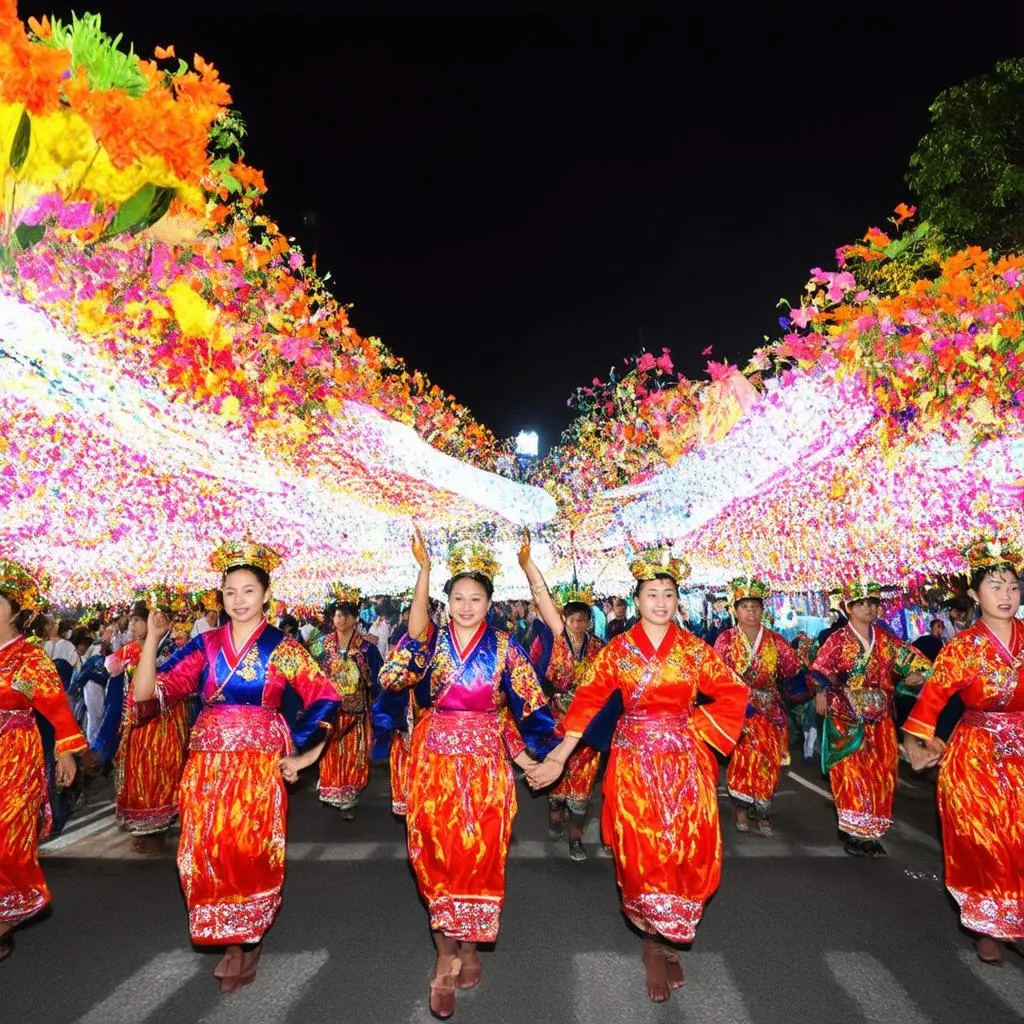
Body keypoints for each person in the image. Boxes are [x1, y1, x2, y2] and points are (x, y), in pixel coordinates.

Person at [528, 549, 748, 1003]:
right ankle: (653, 943)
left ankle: (670, 935)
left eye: (669, 594)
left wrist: (698, 730)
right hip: (635, 763)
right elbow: (587, 701)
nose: (662, 602)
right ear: (637, 599)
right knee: (644, 848)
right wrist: (559, 756)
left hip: (685, 761)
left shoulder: (692, 649)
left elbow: (732, 692)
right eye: (652, 594)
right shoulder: (618, 652)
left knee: (687, 846)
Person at [130, 542, 342, 994]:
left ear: (266, 594)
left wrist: (305, 752)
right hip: (207, 764)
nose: (239, 599)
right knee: (205, 848)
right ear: (220, 596)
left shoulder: (283, 648)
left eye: (249, 590)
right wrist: (152, 638)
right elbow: (149, 695)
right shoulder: (204, 645)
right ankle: (230, 937)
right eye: (230, 591)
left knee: (248, 849)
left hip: (258, 765)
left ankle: (247, 940)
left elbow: (325, 695)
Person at [379, 529, 559, 1020]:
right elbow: (396, 670)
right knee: (435, 854)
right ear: (446, 601)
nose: (465, 606)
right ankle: (443, 951)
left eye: (474, 598)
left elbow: (530, 707)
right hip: (434, 764)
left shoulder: (504, 648)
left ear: (489, 603)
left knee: (479, 855)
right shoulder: (430, 644)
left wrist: (541, 759)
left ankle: (473, 945)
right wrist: (423, 572)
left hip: (484, 769)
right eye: (456, 597)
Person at [903, 539, 1024, 965]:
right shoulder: (963, 647)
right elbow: (932, 700)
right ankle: (987, 924)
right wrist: (920, 742)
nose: (1006, 595)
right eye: (995, 586)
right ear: (974, 595)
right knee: (986, 838)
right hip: (976, 753)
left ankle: (1015, 914)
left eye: (1012, 586)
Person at [0, 557, 87, 961]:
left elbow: (57, 709)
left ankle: (6, 917)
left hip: (15, 754)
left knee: (8, 833)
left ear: (17, 611)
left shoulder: (30, 659)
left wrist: (67, 752)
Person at [810, 581, 930, 857]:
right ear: (849, 608)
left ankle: (871, 831)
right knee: (852, 774)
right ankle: (855, 832)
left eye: (873, 603)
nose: (868, 608)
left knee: (883, 775)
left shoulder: (887, 640)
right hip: (846, 719)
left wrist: (917, 675)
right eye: (861, 603)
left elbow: (915, 662)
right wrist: (820, 693)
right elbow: (819, 670)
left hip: (881, 719)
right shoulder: (838, 640)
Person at [519, 533, 610, 861]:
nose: (578, 623)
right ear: (564, 618)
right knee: (556, 778)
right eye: (572, 618)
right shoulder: (553, 641)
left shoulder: (600, 648)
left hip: (586, 722)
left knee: (582, 784)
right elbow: (530, 673)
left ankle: (575, 837)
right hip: (557, 719)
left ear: (589, 620)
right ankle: (554, 815)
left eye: (583, 618)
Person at [714, 576, 807, 836]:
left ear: (762, 610)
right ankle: (742, 809)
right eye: (745, 606)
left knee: (767, 762)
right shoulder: (725, 640)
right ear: (735, 610)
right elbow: (715, 675)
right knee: (742, 761)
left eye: (755, 606)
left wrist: (811, 676)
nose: (751, 611)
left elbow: (792, 671)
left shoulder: (776, 640)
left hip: (769, 712)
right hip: (740, 712)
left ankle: (763, 811)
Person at [316, 584, 382, 821]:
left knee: (354, 753)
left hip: (356, 710)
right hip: (331, 709)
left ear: (355, 619)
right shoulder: (322, 645)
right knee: (331, 750)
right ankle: (333, 789)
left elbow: (378, 677)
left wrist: (363, 672)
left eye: (344, 615)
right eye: (336, 614)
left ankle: (350, 794)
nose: (339, 619)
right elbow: (311, 674)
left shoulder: (365, 647)